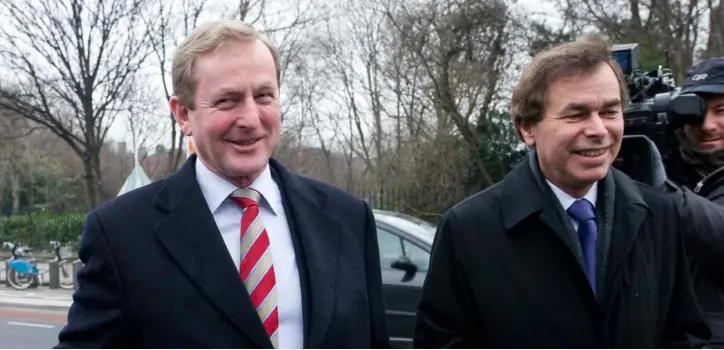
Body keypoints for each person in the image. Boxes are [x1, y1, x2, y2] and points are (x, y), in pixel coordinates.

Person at [55, 19, 389, 349]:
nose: (250, 118)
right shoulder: (120, 234)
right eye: (227, 100)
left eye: (263, 95)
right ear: (183, 114)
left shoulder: (349, 219)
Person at [413, 36, 712, 348]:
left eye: (610, 111)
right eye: (576, 114)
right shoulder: (468, 230)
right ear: (527, 128)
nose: (598, 130)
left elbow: (686, 337)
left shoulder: (658, 215)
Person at [666, 57, 724, 347]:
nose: (707, 125)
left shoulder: (661, 186)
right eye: (696, 112)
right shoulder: (665, 169)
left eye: (721, 110)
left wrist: (661, 192)